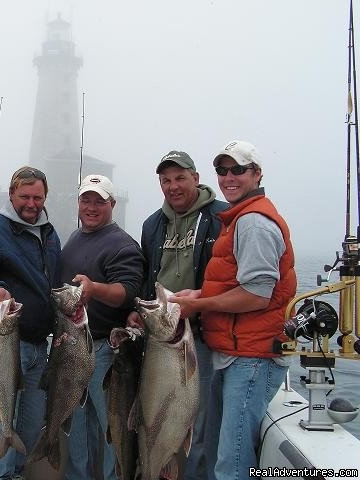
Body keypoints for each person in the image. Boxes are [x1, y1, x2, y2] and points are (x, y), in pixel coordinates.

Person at [169, 140, 296, 480]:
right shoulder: (237, 218)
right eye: (223, 170)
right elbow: (236, 283)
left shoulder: (253, 222)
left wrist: (196, 305)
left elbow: (257, 294)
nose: (229, 177)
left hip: (252, 359)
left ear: (256, 174)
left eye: (238, 169)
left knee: (232, 460)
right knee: (219, 454)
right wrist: (198, 291)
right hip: (234, 353)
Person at [127, 150, 228, 480]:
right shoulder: (152, 225)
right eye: (165, 180)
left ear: (196, 178)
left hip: (205, 338)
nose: (173, 186)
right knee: (153, 414)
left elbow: (232, 278)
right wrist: (138, 311)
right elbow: (147, 279)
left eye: (180, 178)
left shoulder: (223, 218)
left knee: (200, 427)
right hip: (161, 337)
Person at [0, 166, 60, 480]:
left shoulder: (50, 233)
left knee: (30, 425)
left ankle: (14, 473)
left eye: (38, 197)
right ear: (11, 195)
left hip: (38, 349)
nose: (31, 204)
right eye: (25, 197)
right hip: (4, 345)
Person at [60, 174, 144, 480]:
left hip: (105, 354)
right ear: (78, 202)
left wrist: (95, 288)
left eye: (100, 201)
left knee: (114, 431)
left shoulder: (122, 244)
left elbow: (129, 291)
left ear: (112, 204)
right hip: (72, 350)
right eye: (86, 200)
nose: (92, 207)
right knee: (79, 428)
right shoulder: (73, 238)